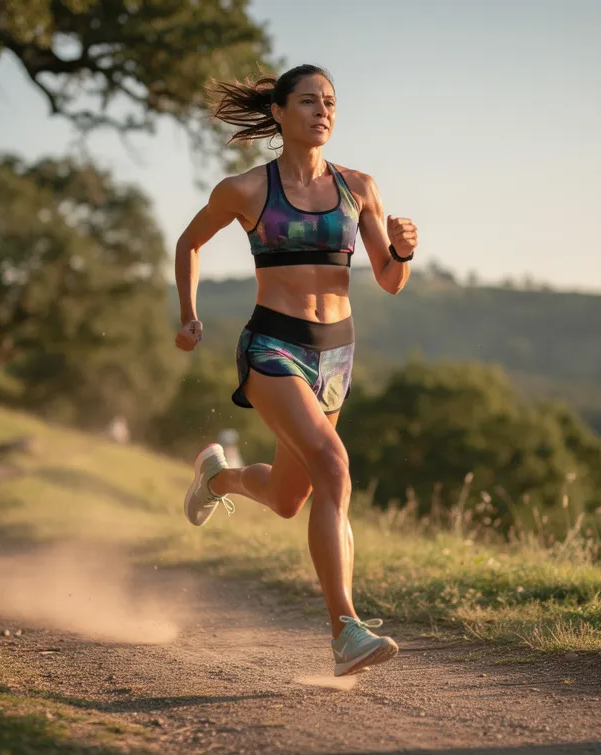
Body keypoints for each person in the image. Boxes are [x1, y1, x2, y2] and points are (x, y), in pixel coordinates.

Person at [172, 64, 418, 677]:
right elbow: (189, 243)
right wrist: (188, 315)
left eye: (330, 102)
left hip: (336, 355)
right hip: (273, 348)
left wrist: (404, 250)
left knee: (288, 498)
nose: (322, 111)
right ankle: (346, 630)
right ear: (279, 113)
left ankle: (217, 480)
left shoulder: (359, 187)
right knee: (334, 465)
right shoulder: (247, 190)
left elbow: (389, 281)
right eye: (308, 101)